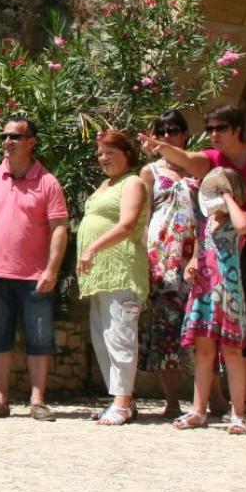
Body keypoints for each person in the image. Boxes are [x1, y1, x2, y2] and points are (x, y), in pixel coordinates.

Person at [143, 104, 246, 428]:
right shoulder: (212, 160)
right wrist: (161, 147)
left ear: (237, 129)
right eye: (210, 128)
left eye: (220, 128)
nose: (213, 134)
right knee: (234, 334)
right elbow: (186, 160)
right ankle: (231, 404)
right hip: (228, 258)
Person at [0, 116, 70, 420]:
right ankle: (0, 400)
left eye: (15, 137)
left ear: (31, 142)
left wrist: (52, 269)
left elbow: (60, 228)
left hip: (35, 277)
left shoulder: (47, 182)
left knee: (39, 340)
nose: (7, 142)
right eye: (4, 136)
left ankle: (38, 400)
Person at [76, 130, 149, 426]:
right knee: (103, 336)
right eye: (100, 154)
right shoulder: (105, 185)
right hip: (99, 273)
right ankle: (120, 399)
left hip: (121, 270)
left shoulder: (133, 183)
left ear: (127, 154)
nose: (103, 159)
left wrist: (92, 247)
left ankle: (123, 401)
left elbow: (128, 223)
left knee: (120, 334)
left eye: (110, 153)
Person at [174, 166, 246, 433]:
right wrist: (191, 265)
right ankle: (198, 410)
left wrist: (228, 198)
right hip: (205, 292)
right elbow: (199, 250)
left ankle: (238, 413)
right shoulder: (205, 223)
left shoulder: (236, 219)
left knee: (232, 351)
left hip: (228, 291)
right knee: (204, 352)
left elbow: (244, 226)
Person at [138, 110, 200, 418]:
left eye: (172, 130)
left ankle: (210, 397)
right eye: (160, 131)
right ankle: (172, 400)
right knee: (165, 325)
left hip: (196, 252)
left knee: (200, 323)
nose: (165, 136)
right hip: (162, 254)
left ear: (185, 134)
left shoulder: (198, 168)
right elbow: (142, 215)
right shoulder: (150, 171)